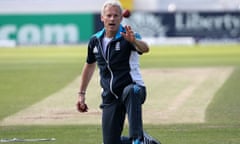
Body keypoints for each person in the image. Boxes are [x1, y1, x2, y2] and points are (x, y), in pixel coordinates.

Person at [77, 0, 161, 144]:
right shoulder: (95, 40)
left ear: (121, 18)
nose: (112, 19)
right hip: (110, 97)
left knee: (131, 90)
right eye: (108, 15)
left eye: (116, 15)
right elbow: (90, 65)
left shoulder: (128, 36)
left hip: (134, 90)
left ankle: (138, 139)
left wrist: (134, 41)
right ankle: (148, 142)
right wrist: (81, 94)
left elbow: (145, 48)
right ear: (102, 18)